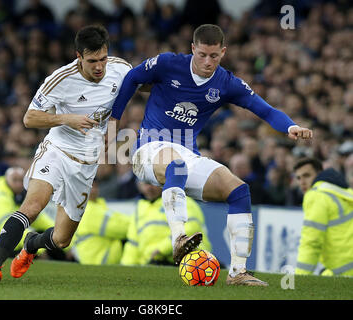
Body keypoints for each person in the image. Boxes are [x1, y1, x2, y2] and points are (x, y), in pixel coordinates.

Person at [110, 24, 312, 286]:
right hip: (148, 150)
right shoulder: (168, 63)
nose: (207, 62)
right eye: (202, 55)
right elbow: (132, 77)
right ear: (193, 48)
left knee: (238, 190)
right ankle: (179, 238)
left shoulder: (226, 83)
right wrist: (114, 118)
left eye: (214, 56)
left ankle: (238, 272)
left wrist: (290, 126)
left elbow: (264, 109)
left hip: (186, 154)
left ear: (223, 52)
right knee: (176, 164)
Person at [0, 25, 132, 284]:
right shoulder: (60, 79)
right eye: (92, 60)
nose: (99, 67)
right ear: (78, 56)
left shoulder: (121, 68)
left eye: (103, 58)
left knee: (61, 240)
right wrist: (66, 119)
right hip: (58, 151)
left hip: (86, 165)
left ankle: (31, 245)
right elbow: (29, 118)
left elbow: (145, 84)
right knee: (32, 206)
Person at [121, 182, 211, 266]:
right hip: (151, 264)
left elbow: (191, 230)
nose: (149, 188)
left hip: (187, 262)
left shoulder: (180, 200)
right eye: (145, 184)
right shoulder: (139, 209)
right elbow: (132, 244)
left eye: (152, 183)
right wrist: (127, 268)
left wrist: (161, 250)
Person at [0, 167, 54, 258]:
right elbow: (10, 230)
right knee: (42, 245)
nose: (19, 184)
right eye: (15, 180)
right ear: (6, 180)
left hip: (6, 249)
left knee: (51, 238)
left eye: (21, 181)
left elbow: (43, 222)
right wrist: (39, 249)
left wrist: (61, 237)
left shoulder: (18, 199)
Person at [293, 157, 353, 276]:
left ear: (319, 174)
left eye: (307, 175)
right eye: (298, 178)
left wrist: (300, 277)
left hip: (345, 270)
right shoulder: (342, 191)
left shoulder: (316, 196)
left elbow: (311, 242)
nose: (302, 182)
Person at [71, 181, 130, 265]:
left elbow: (118, 220)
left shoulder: (99, 206)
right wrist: (136, 222)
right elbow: (120, 229)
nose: (93, 190)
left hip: (92, 260)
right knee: (132, 236)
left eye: (95, 187)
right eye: (89, 187)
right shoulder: (90, 210)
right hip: (99, 261)